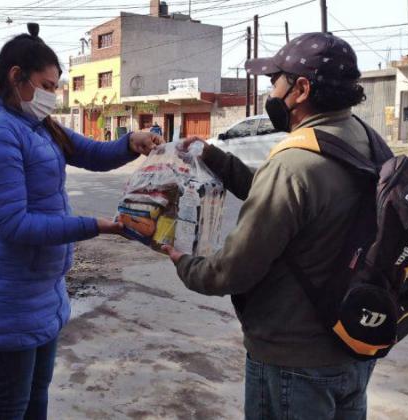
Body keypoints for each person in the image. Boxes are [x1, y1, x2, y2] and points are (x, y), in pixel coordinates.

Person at [162, 33, 392, 420]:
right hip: (353, 349)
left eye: (275, 80)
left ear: (301, 89)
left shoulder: (294, 164)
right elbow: (299, 208)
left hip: (294, 362)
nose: (271, 90)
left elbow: (231, 272)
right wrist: (214, 157)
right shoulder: (366, 140)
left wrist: (183, 260)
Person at [0, 23, 163, 420]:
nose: (52, 96)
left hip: (44, 290)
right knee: (11, 405)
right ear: (16, 77)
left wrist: (130, 143)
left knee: (37, 395)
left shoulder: (39, 127)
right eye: (47, 85)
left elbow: (91, 152)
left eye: (57, 87)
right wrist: (94, 225)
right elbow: (15, 225)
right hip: (10, 295)